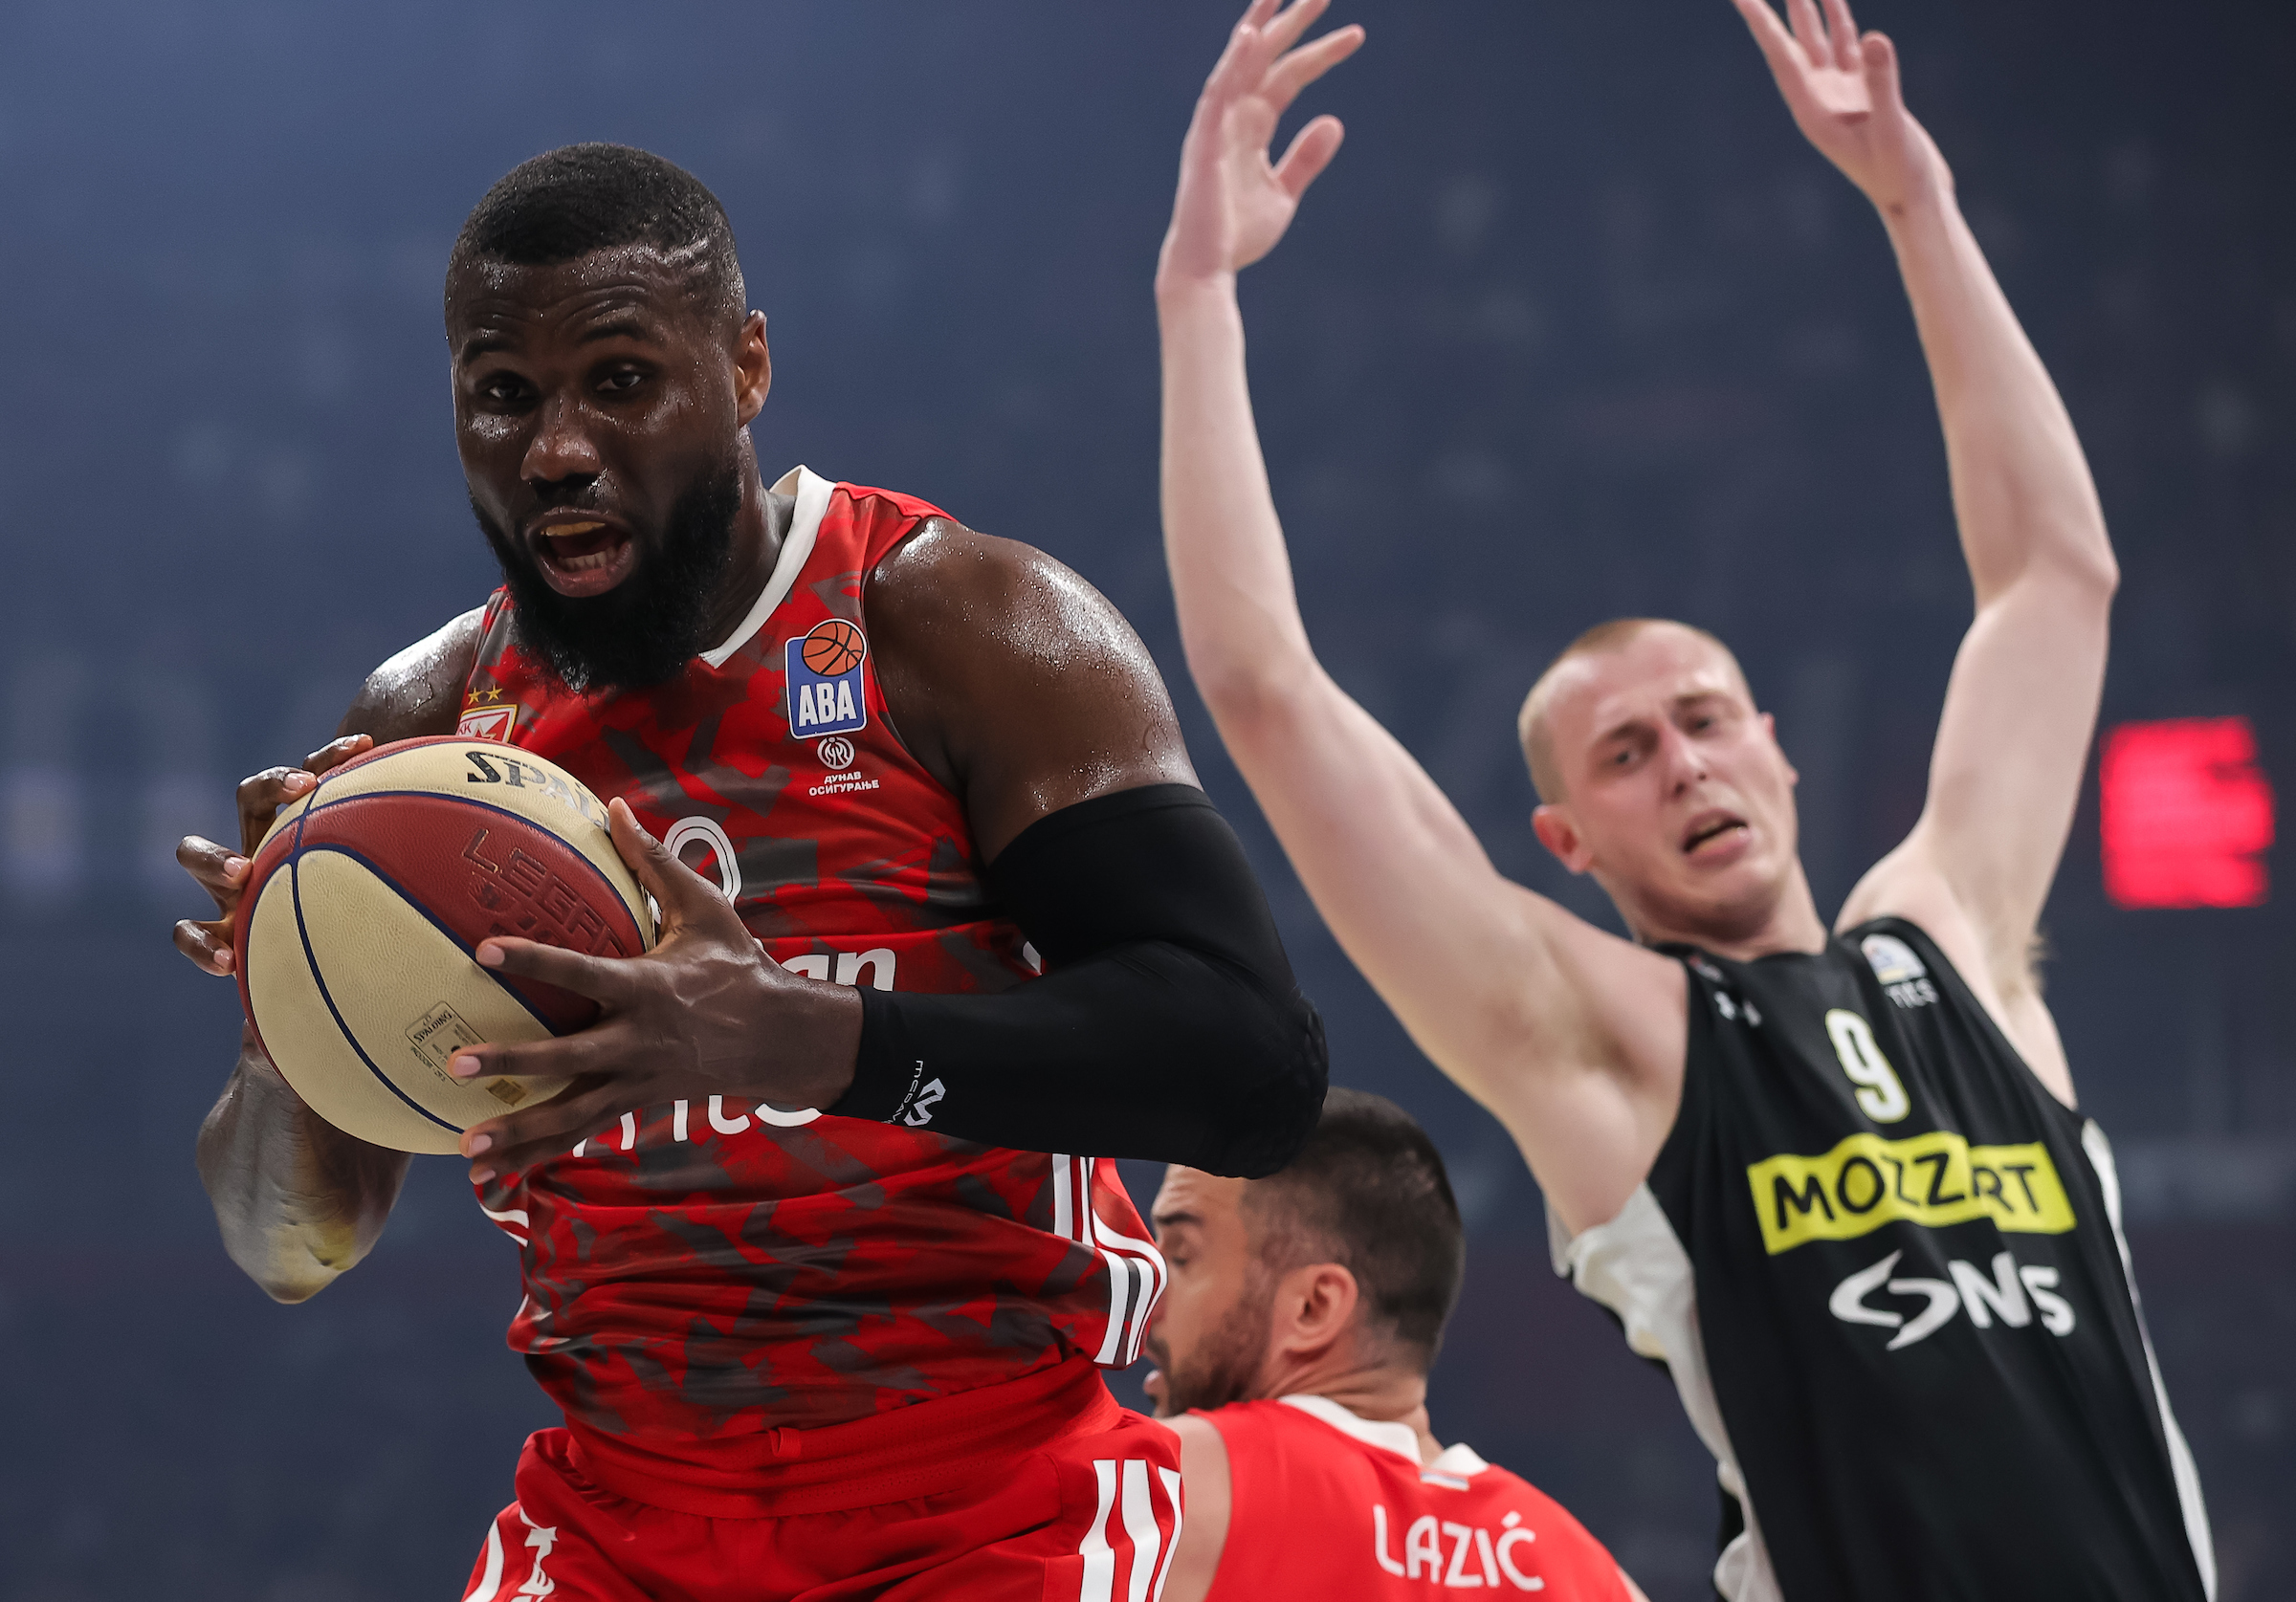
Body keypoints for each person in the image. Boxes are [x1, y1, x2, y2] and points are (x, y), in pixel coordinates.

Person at [1154, 1, 2214, 1597]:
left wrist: (1916, 204)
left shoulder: (1955, 949)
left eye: (1706, 721)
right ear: (1569, 846)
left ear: (1777, 746)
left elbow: (2056, 579)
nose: (1687, 763)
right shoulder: (1620, 1048)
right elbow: (1267, 697)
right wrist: (1198, 296)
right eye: (1629, 754)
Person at [173, 143, 1327, 1601]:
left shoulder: (961, 624)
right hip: (617, 1514)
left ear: (747, 367)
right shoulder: (417, 729)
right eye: (504, 395)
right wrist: (290, 1011)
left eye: (620, 378)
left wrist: (803, 1037)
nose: (558, 448)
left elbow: (1251, 1068)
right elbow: (291, 1244)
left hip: (987, 1493)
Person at [1145, 1088, 1647, 1602]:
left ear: (1314, 1307)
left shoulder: (1167, 1482)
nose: (1145, 1300)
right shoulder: (1599, 1581)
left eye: (1181, 1257)